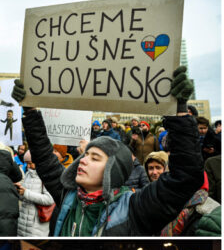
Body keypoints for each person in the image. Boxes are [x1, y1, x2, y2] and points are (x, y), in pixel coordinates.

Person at [11, 67, 202, 236]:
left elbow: (185, 177)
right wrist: (30, 111)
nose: (83, 161)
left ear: (113, 169)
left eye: (95, 158)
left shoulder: (135, 208)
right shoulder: (67, 195)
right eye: (85, 155)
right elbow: (44, 156)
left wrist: (180, 113)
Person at [16, 151, 54, 237]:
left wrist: (26, 192)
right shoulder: (28, 174)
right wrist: (19, 191)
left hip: (37, 224)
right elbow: (24, 196)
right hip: (23, 220)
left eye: (30, 163)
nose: (28, 166)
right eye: (27, 163)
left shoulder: (47, 176)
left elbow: (49, 199)